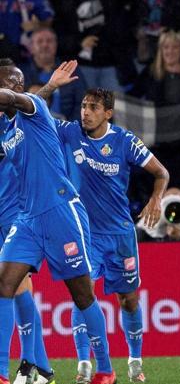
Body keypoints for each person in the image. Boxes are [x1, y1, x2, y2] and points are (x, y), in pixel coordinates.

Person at [39, 65, 169, 381]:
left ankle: (135, 361)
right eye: (84, 106)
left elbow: (161, 173)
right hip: (84, 233)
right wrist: (51, 86)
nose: (86, 112)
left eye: (93, 108)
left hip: (120, 233)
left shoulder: (125, 141)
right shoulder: (69, 132)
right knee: (83, 296)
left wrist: (155, 199)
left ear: (107, 113)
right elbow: (36, 112)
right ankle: (85, 365)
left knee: (129, 299)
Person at [0, 60, 116, 384]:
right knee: (3, 284)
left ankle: (105, 370)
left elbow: (14, 99)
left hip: (61, 212)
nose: (11, 89)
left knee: (81, 295)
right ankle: (2, 375)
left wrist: (43, 90)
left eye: (12, 83)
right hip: (28, 219)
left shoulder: (33, 108)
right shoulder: (6, 129)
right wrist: (49, 86)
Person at [0, 107, 54, 384]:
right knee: (15, 290)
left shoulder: (20, 125)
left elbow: (34, 103)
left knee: (13, 287)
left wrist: (51, 86)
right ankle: (40, 367)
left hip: (16, 217)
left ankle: (13, 369)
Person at [129, 29, 180, 198]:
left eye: (175, 47)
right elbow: (131, 98)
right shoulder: (150, 73)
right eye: (166, 47)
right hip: (157, 147)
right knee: (157, 195)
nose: (170, 52)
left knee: (179, 195)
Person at [20, 27, 87, 121]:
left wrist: (72, 128)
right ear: (31, 48)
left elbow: (82, 102)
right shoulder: (20, 73)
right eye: (40, 41)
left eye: (49, 41)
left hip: (66, 127)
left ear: (56, 45)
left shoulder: (71, 69)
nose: (45, 45)